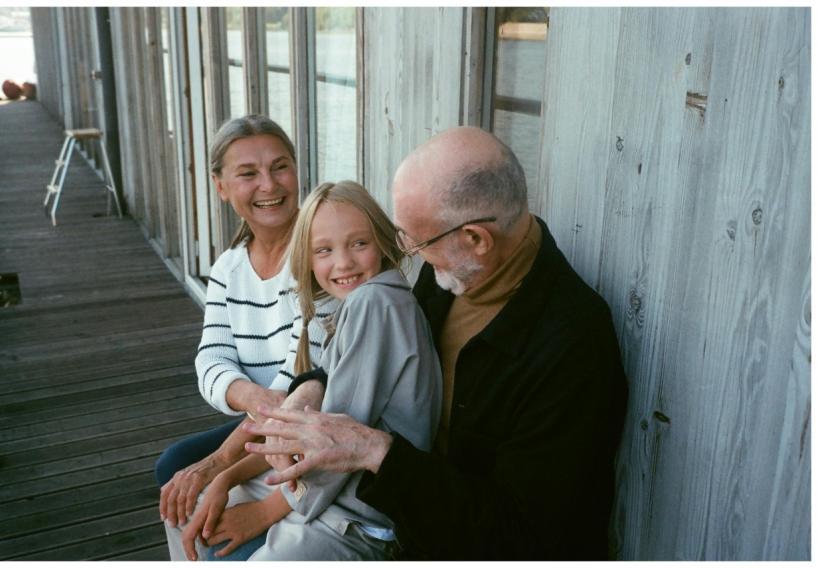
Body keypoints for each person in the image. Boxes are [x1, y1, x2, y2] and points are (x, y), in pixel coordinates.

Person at [244, 126, 629, 560]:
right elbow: (380, 360)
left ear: (476, 239)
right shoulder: (452, 272)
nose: (406, 251)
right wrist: (311, 385)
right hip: (383, 506)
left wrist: (377, 453)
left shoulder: (572, 346)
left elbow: (522, 536)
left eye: (416, 239)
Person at [166, 180, 442, 560]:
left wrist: (260, 514)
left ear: (382, 241)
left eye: (359, 243)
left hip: (355, 517)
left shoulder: (376, 304)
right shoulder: (351, 306)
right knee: (190, 507)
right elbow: (301, 427)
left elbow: (333, 447)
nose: (343, 262)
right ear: (308, 261)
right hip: (320, 493)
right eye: (324, 250)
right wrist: (226, 476)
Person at [155, 115, 332, 558]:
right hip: (265, 424)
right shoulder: (229, 268)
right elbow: (211, 361)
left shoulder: (323, 259)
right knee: (174, 466)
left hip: (314, 424)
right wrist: (251, 397)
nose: (269, 185)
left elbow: (294, 389)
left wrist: (219, 465)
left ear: (297, 171)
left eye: (280, 166)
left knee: (197, 478)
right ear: (221, 186)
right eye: (248, 174)